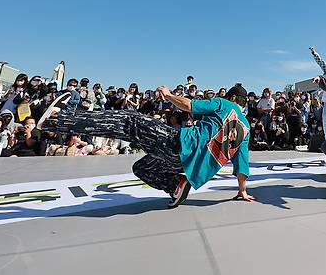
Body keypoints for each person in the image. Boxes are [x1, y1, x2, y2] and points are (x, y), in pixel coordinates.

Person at [39, 83, 254, 208]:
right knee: (141, 167)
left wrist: (168, 95)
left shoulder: (224, 103)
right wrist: (242, 191)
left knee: (129, 120)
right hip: (185, 165)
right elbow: (241, 164)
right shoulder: (245, 129)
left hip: (178, 144)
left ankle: (60, 119)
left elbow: (190, 105)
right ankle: (176, 186)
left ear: (233, 97)